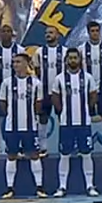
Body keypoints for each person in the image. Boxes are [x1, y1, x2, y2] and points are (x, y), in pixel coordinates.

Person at [51, 48, 99, 197]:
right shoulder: (59, 78)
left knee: (86, 154)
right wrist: (61, 113)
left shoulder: (88, 77)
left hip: (84, 123)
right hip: (67, 123)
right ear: (66, 60)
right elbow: (55, 97)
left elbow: (93, 96)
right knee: (64, 154)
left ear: (80, 60)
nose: (73, 60)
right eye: (70, 58)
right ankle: (62, 186)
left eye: (75, 58)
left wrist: (87, 109)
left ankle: (90, 186)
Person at [0, 53, 45, 199]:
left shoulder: (36, 83)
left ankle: (39, 187)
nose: (15, 65)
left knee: (34, 155)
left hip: (30, 126)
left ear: (26, 64)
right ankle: (9, 188)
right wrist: (11, 115)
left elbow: (39, 104)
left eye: (18, 62)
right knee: (11, 155)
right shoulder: (7, 83)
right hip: (12, 127)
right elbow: (2, 103)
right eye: (14, 62)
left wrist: (31, 116)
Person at [0, 24, 25, 160]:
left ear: (12, 34)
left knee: (18, 118)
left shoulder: (20, 50)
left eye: (9, 31)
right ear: (0, 34)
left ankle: (19, 147)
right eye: (3, 31)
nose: (6, 33)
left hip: (17, 89)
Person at [32, 26, 65, 157]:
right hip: (45, 90)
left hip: (60, 92)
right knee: (43, 117)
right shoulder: (39, 52)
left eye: (51, 32)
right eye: (46, 33)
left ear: (58, 35)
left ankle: (64, 145)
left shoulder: (64, 51)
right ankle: (42, 146)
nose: (48, 35)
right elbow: (37, 69)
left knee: (63, 118)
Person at [83, 21, 102, 151]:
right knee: (85, 115)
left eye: (97, 31)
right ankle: (85, 143)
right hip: (86, 90)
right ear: (88, 32)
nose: (95, 33)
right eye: (92, 31)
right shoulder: (82, 49)